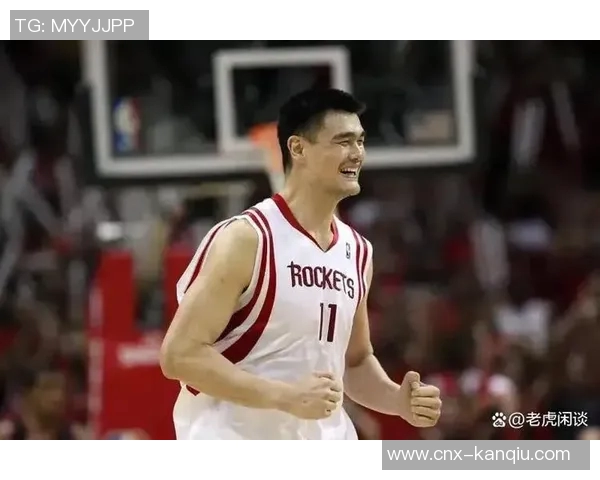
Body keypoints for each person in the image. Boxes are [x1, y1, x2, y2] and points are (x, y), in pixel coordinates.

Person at [159, 88, 442, 440]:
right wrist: (285, 397)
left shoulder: (358, 251)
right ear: (298, 148)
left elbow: (353, 362)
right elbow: (180, 355)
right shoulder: (248, 239)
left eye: (360, 141)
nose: (357, 153)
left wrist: (396, 400)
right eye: (343, 141)